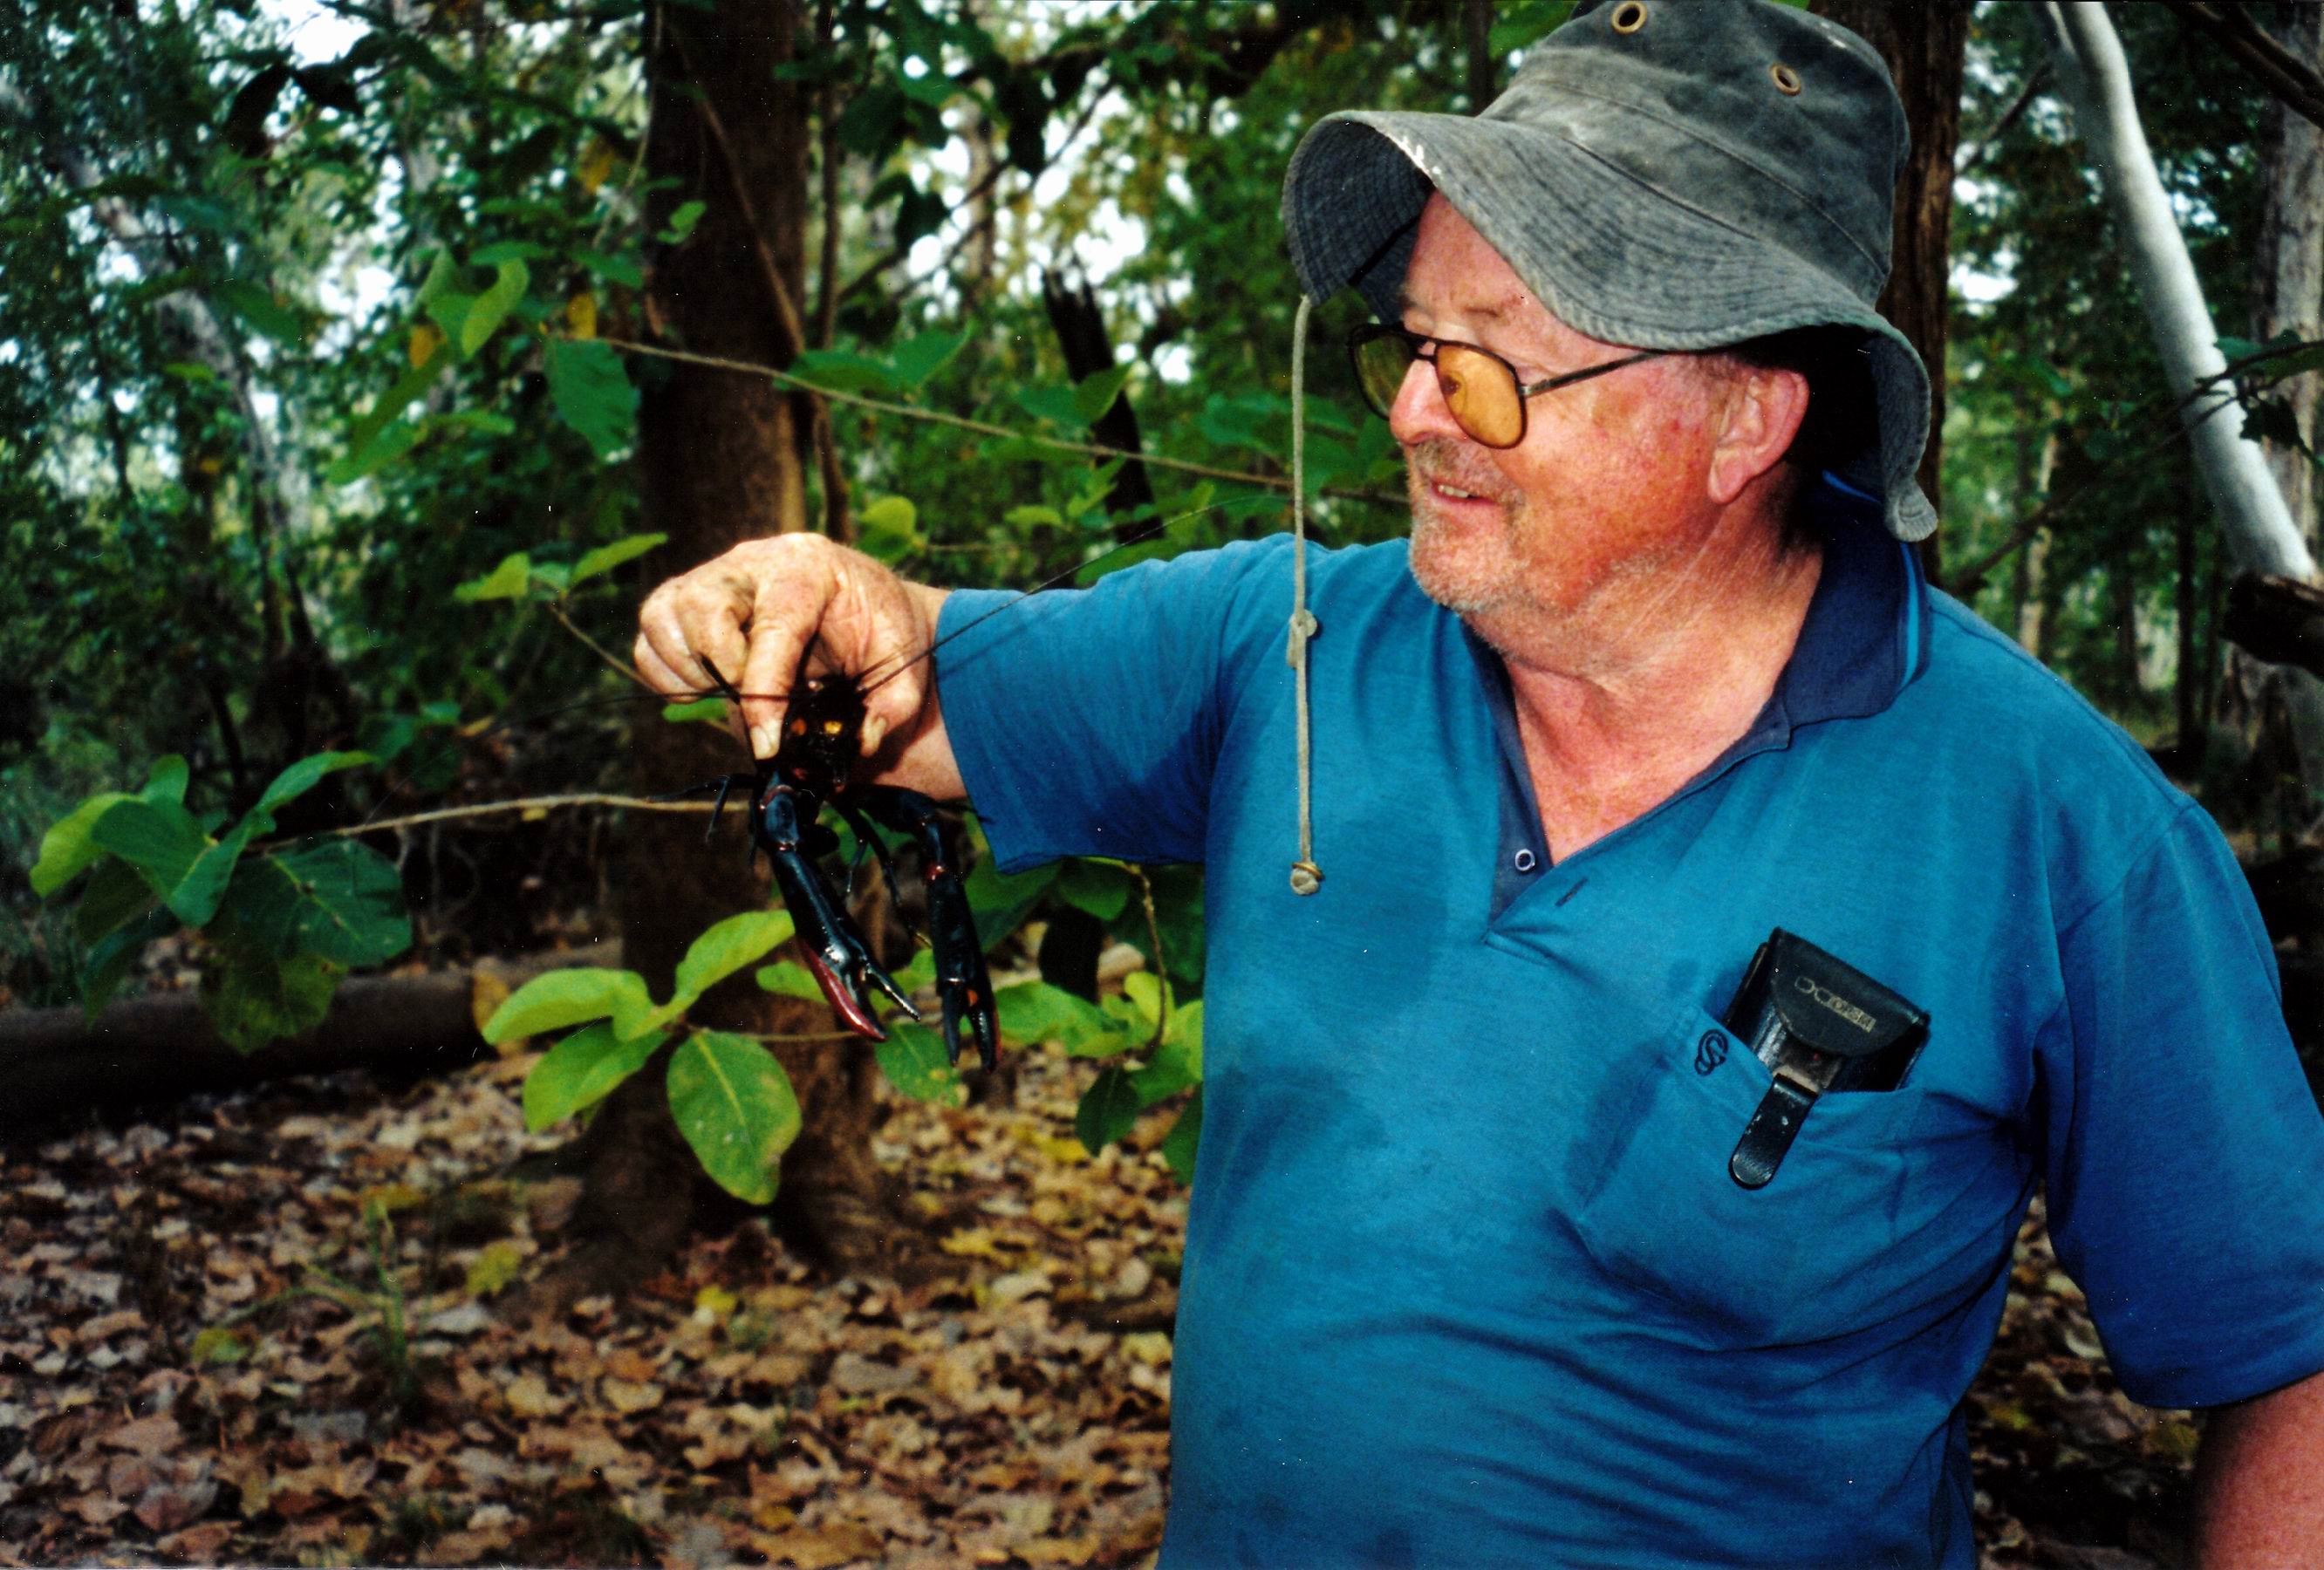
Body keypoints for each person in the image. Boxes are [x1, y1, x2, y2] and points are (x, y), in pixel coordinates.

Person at [635, 1, 2324, 1563]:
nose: (1418, 417)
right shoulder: (1281, 651)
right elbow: (910, 681)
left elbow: (2288, 1362)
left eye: (1495, 361)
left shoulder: (2059, 833)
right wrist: (819, 593)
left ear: (1742, 421)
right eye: (1413, 343)